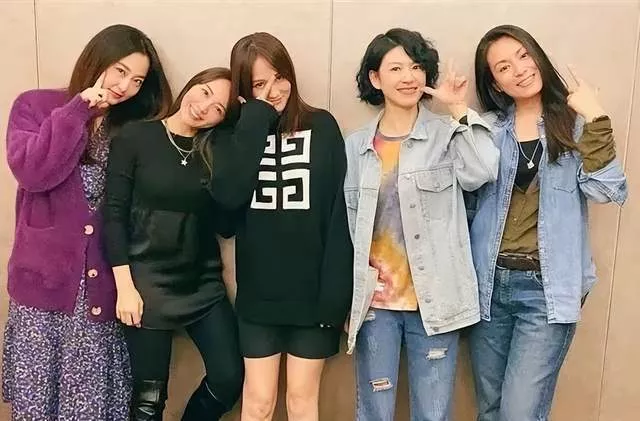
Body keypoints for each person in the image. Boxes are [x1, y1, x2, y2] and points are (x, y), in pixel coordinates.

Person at [2, 24, 171, 420]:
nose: (125, 86)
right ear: (98, 59)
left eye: (137, 80)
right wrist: (79, 109)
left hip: (100, 288)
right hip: (42, 290)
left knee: (90, 407)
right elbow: (32, 172)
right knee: (37, 406)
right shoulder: (35, 105)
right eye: (120, 71)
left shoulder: (131, 129)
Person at [469, 24, 628, 421]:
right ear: (496, 83)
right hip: (488, 286)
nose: (519, 69)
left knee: (518, 413)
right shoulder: (489, 130)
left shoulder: (574, 125)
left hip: (545, 290)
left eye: (523, 56)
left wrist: (596, 116)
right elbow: (468, 202)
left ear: (537, 56)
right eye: (504, 67)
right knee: (490, 410)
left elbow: (606, 190)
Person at [343, 28, 499, 421]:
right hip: (375, 305)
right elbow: (347, 226)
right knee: (374, 413)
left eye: (416, 67)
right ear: (375, 78)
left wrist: (458, 108)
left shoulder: (447, 134)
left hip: (436, 303)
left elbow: (484, 170)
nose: (409, 77)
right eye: (396, 68)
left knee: (432, 414)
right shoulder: (356, 146)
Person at [206, 32, 353, 421]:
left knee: (302, 401)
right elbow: (225, 211)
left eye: (279, 77)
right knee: (257, 402)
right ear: (243, 90)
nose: (273, 91)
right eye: (258, 84)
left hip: (315, 295)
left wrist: (337, 297)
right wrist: (255, 121)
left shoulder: (322, 126)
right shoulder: (233, 137)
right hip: (259, 296)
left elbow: (339, 217)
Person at [104, 67, 244, 421]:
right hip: (146, 284)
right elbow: (113, 215)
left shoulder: (215, 151)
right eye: (205, 91)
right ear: (192, 85)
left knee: (229, 378)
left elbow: (227, 225)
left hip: (202, 285)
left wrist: (239, 141)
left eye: (218, 108)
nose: (204, 106)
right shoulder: (135, 137)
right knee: (149, 399)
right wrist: (125, 287)